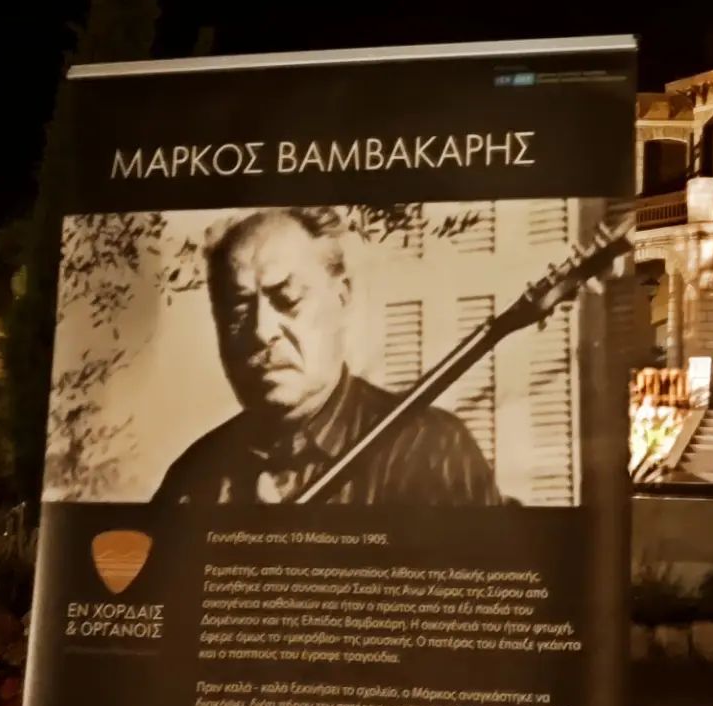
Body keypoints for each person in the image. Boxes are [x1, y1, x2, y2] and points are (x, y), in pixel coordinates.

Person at [154, 207, 499, 505]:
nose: (261, 331)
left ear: (342, 297)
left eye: (288, 299)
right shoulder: (192, 478)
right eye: (237, 311)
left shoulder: (430, 451)